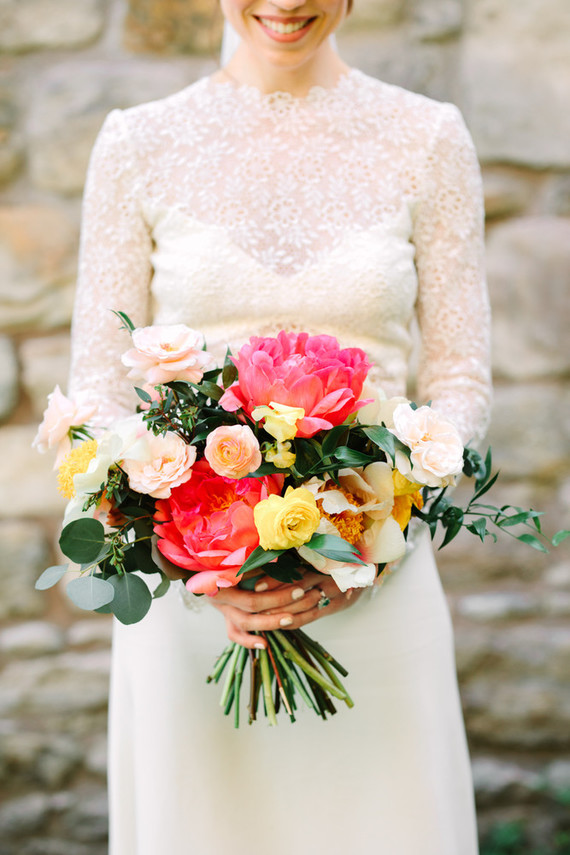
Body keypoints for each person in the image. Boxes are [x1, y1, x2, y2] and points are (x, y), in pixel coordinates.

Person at [68, 2, 492, 853]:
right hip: (193, 606)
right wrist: (193, 559)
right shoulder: (138, 143)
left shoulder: (428, 138)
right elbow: (99, 391)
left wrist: (369, 549)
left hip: (376, 592)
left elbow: (461, 382)